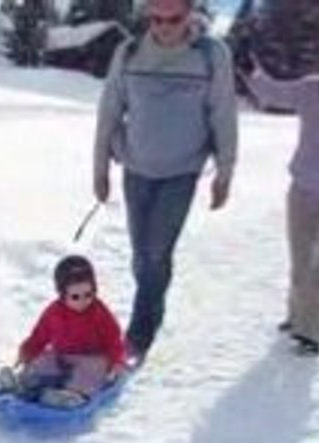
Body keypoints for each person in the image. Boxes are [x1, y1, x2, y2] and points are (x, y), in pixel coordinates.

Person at [93, 0, 239, 361]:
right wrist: (100, 169)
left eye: (172, 19)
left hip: (181, 172)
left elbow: (223, 113)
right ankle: (152, 307)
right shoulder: (128, 53)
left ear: (189, 15)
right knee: (142, 256)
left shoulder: (210, 55)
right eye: (156, 19)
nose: (163, 27)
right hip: (136, 169)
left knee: (157, 253)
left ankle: (139, 336)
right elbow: (109, 110)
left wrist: (225, 171)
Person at [244, 29, 319, 356]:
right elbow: (273, 93)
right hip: (304, 188)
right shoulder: (311, 90)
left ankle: (311, 332)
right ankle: (296, 316)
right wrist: (249, 68)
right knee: (302, 260)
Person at [0, 255, 127, 409]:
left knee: (90, 372)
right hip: (62, 356)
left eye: (88, 294)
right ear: (62, 294)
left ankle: (72, 396)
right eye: (75, 297)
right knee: (43, 362)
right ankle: (21, 384)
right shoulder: (54, 312)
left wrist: (116, 362)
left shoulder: (99, 313)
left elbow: (114, 339)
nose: (82, 301)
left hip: (91, 358)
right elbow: (39, 336)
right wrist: (27, 351)